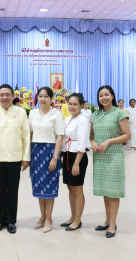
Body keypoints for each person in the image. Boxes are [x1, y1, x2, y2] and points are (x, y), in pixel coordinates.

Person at [0, 84, 30, 234]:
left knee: (12, 191)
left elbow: (26, 136)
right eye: (2, 95)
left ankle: (11, 221)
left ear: (12, 96)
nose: (4, 97)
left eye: (7, 94)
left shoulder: (21, 113)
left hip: (15, 158)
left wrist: (26, 157)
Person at [90, 85, 130, 238]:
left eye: (107, 94)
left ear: (112, 96)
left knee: (113, 191)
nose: (104, 98)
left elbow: (127, 135)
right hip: (99, 156)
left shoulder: (119, 113)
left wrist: (108, 141)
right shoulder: (96, 114)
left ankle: (113, 224)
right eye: (101, 95)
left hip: (113, 156)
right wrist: (92, 142)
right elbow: (91, 134)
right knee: (105, 190)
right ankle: (107, 220)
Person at [29, 87, 63, 233]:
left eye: (46, 96)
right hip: (36, 152)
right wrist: (28, 155)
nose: (42, 99)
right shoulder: (32, 113)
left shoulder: (57, 114)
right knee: (39, 187)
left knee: (49, 187)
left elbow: (60, 136)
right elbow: (30, 134)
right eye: (40, 96)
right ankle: (42, 217)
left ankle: (49, 218)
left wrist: (55, 158)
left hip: (50, 152)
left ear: (51, 98)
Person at [61, 93, 89, 231]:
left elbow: (82, 143)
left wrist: (77, 163)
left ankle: (78, 220)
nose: (72, 107)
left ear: (81, 105)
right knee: (70, 188)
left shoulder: (83, 121)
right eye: (70, 104)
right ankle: (72, 216)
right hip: (66, 155)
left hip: (77, 157)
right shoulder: (67, 119)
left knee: (77, 189)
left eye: (75, 104)